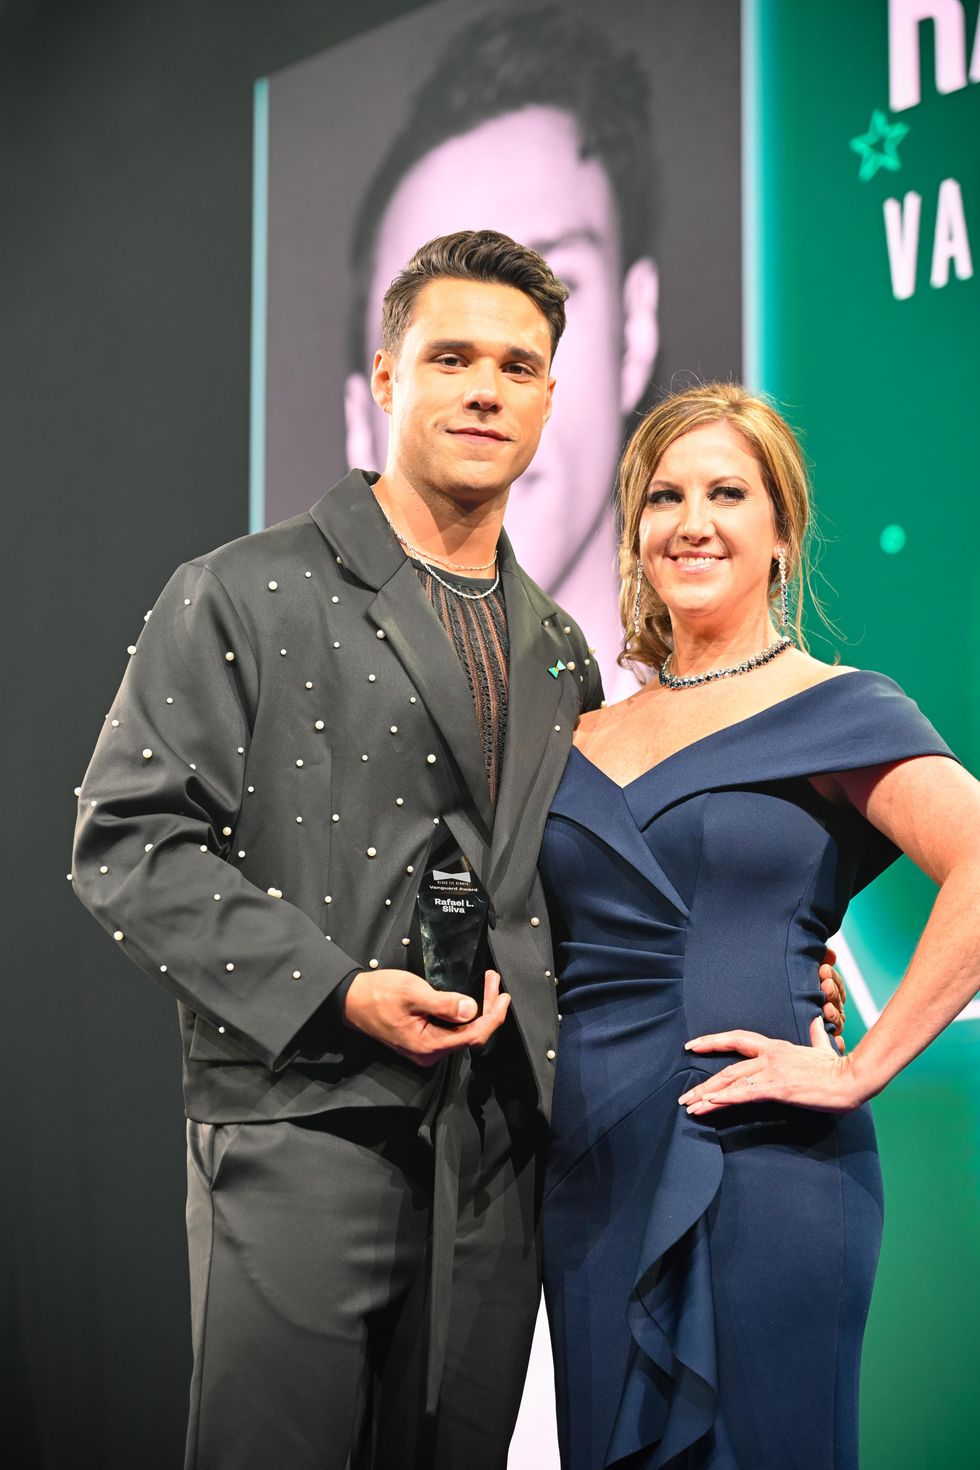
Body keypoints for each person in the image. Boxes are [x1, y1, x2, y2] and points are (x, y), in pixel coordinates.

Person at [71, 237, 842, 1470]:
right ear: (384, 378)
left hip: (498, 1155)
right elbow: (127, 843)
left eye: (517, 364)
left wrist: (760, 954)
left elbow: (571, 883)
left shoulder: (557, 648)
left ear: (550, 395)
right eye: (451, 357)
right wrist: (337, 990)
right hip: (301, 1122)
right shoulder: (242, 590)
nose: (486, 387)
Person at [538, 383, 980, 1470]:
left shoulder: (833, 708)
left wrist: (856, 1067)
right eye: (664, 495)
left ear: (781, 534)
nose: (692, 521)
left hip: (765, 1160)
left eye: (727, 493)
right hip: (588, 1169)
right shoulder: (572, 730)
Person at [343, 6, 663, 694]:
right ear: (375, 394)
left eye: (557, 290)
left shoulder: (747, 711)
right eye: (445, 347)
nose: (486, 390)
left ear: (634, 330)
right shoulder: (252, 624)